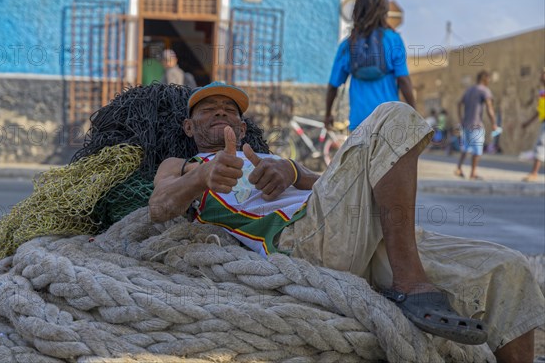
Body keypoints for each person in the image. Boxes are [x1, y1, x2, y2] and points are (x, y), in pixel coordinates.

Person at [149, 81, 544, 362]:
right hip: (302, 241)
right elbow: (158, 208)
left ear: (240, 126)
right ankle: (410, 281)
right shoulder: (182, 165)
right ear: (189, 127)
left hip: (361, 236)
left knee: (508, 270)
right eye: (207, 109)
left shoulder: (265, 157)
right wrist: (203, 177)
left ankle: (408, 272)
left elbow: (356, 182)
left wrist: (289, 169)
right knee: (394, 115)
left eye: (230, 110)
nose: (221, 111)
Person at [324, 0, 415, 132]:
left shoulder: (348, 44)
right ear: (384, 12)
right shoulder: (393, 40)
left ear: (357, 11)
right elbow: (403, 80)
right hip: (389, 122)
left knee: (361, 155)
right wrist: (413, 111)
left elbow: (333, 86)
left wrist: (328, 114)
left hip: (359, 124)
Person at [454, 70, 498, 180]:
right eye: (488, 79)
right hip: (476, 125)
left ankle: (459, 168)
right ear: (484, 78)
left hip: (466, 124)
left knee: (465, 148)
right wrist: (494, 123)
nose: (489, 81)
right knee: (477, 150)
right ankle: (473, 173)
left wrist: (460, 119)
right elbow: (489, 108)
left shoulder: (469, 90)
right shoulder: (484, 90)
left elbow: (459, 103)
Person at [520, 68, 545, 182]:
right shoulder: (542, 92)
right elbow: (539, 110)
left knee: (540, 145)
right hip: (543, 120)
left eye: (543, 74)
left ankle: (534, 173)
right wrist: (528, 122)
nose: (541, 76)